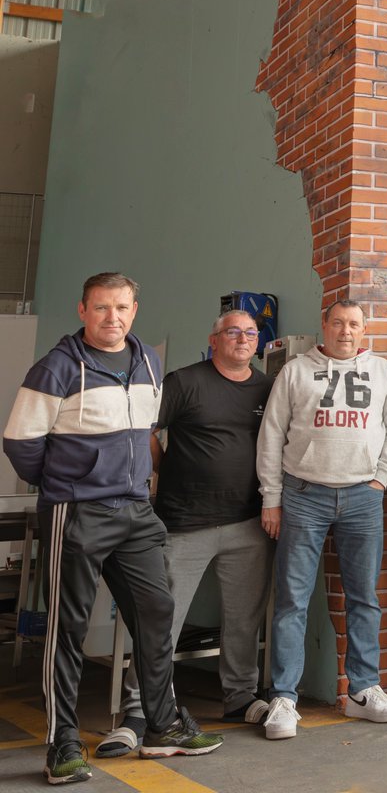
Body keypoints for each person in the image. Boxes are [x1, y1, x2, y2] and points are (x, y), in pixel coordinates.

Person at [2, 272, 223, 786]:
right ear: (82, 310)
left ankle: (162, 725)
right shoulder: (56, 368)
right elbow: (21, 443)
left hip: (135, 510)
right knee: (68, 627)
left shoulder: (148, 360)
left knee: (156, 611)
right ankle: (62, 743)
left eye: (121, 307)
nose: (113, 318)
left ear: (134, 310)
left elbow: (145, 431)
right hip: (77, 511)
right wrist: (65, 484)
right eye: (101, 308)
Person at [95, 309, 275, 758]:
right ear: (214, 339)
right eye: (232, 331)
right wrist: (159, 468)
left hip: (248, 522)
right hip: (182, 522)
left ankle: (239, 696)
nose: (242, 339)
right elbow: (146, 430)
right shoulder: (184, 381)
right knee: (162, 622)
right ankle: (141, 708)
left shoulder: (267, 387)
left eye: (250, 333)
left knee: (243, 620)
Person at [256, 298, 387, 739]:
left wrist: (380, 479)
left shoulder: (381, 371)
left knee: (364, 598)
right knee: (292, 600)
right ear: (324, 325)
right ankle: (284, 698)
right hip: (303, 495)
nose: (345, 331)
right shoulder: (295, 371)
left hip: (363, 495)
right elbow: (271, 435)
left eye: (354, 324)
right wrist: (271, 498)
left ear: (364, 329)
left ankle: (363, 690)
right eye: (338, 323)